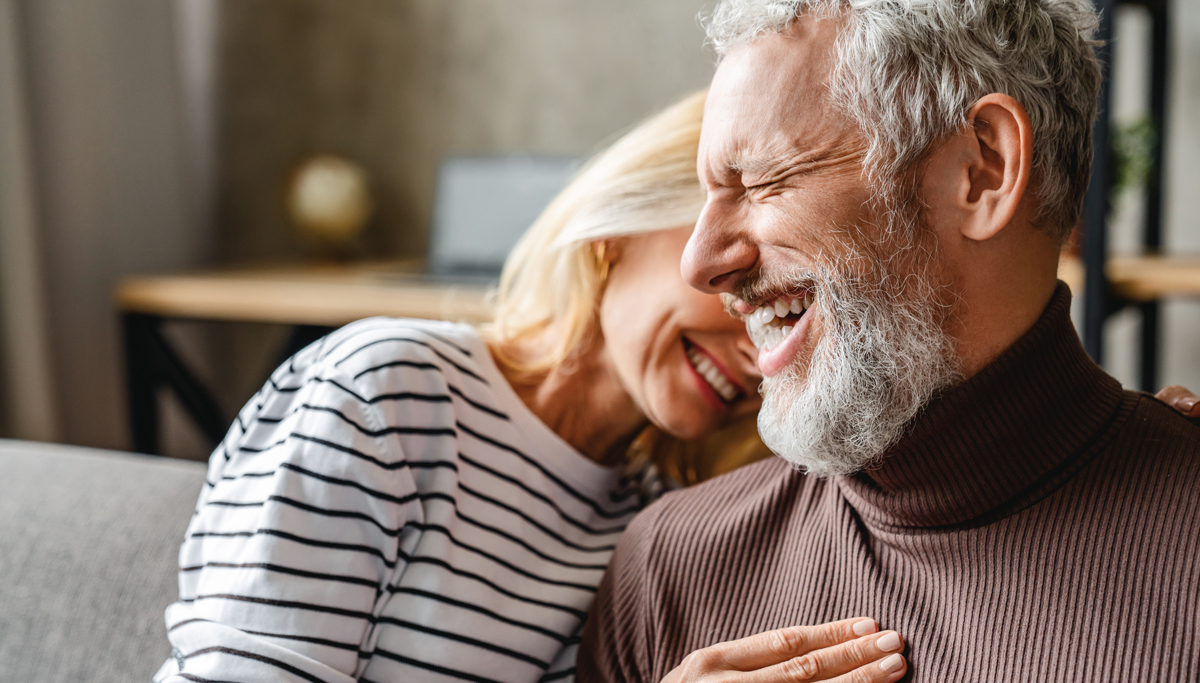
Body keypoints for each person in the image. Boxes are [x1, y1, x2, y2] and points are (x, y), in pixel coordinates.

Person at [154, 91, 911, 683]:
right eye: (737, 282)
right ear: (621, 227)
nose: (758, 354)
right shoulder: (387, 394)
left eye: (789, 313)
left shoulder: (648, 523)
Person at [579, 2, 1200, 682]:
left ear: (982, 170)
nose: (700, 262)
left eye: (760, 182)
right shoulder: (668, 569)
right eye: (707, 195)